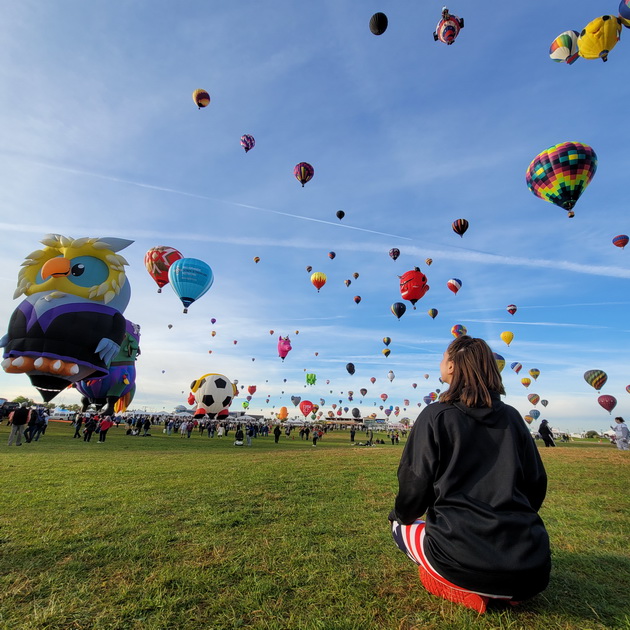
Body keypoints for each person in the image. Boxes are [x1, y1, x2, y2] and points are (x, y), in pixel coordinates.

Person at [389, 336, 550, 613]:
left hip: (462, 559)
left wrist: (400, 515)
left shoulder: (436, 415)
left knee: (398, 526)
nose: (440, 363)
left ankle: (455, 587)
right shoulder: (512, 417)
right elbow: (536, 484)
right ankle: (507, 592)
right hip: (532, 568)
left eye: (442, 358)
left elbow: (414, 486)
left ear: (451, 366)